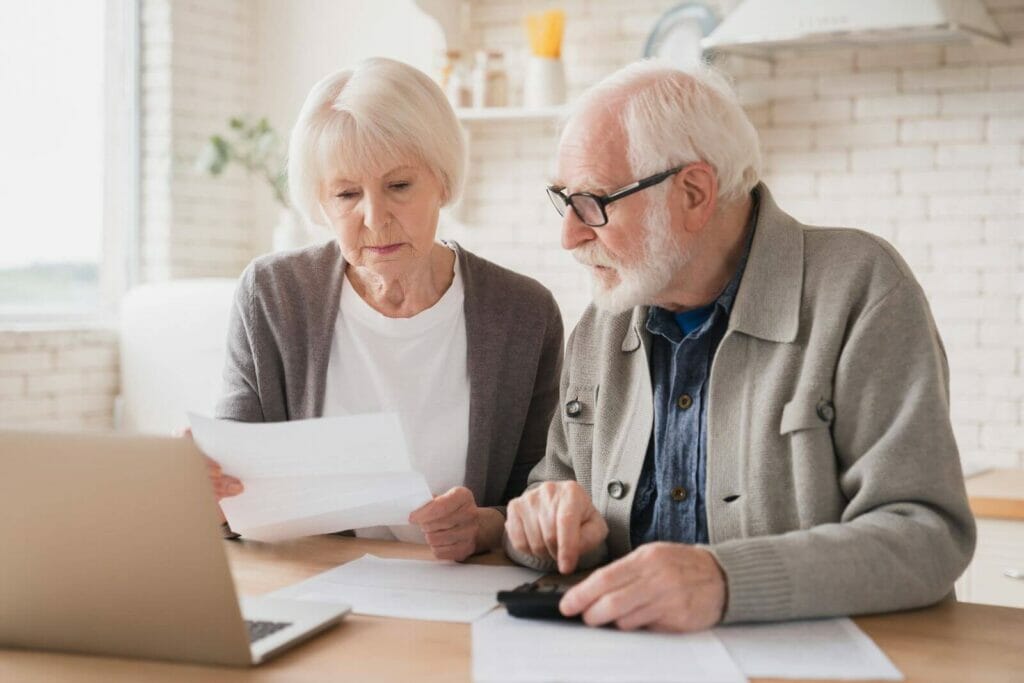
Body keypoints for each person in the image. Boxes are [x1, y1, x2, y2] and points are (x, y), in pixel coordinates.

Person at [503, 59, 976, 631]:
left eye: (594, 202)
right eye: (564, 199)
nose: (569, 235)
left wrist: (725, 580)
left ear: (695, 192)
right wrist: (545, 524)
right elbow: (551, 489)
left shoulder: (861, 288)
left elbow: (928, 536)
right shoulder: (602, 322)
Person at [203, 57, 563, 562]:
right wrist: (205, 487)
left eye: (399, 186)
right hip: (311, 584)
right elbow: (233, 494)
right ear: (321, 203)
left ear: (441, 179)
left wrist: (484, 526)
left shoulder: (524, 314)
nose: (375, 218)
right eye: (347, 194)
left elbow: (545, 494)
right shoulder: (272, 296)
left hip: (459, 589)